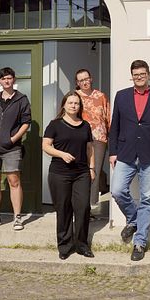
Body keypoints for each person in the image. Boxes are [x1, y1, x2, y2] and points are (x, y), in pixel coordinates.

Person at [109, 60, 150, 262]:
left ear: (148, 74)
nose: (139, 77)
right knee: (118, 190)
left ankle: (140, 242)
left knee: (146, 199)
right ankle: (134, 219)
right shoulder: (121, 96)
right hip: (125, 153)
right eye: (136, 74)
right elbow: (114, 126)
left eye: (142, 74)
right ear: (132, 76)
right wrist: (113, 152)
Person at [42, 92, 96, 259]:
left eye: (77, 103)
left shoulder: (85, 125)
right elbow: (45, 146)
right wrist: (61, 154)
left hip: (81, 173)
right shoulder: (55, 124)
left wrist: (92, 168)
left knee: (83, 208)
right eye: (71, 102)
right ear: (64, 105)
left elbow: (90, 149)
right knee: (64, 209)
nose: (73, 105)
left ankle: (81, 245)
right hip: (60, 173)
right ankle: (64, 246)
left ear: (80, 107)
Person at [0, 67, 31, 231]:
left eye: (9, 78)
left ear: (14, 80)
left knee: (13, 181)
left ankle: (17, 217)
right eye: (3, 79)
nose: (7, 81)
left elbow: (26, 123)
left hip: (12, 147)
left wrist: (12, 139)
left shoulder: (21, 99)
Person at [75, 69, 111, 215]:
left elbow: (108, 117)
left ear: (91, 79)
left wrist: (111, 138)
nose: (84, 82)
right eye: (81, 80)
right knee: (80, 170)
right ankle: (80, 204)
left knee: (94, 171)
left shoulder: (101, 96)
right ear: (77, 82)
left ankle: (91, 205)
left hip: (99, 138)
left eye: (86, 78)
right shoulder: (74, 96)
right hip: (79, 138)